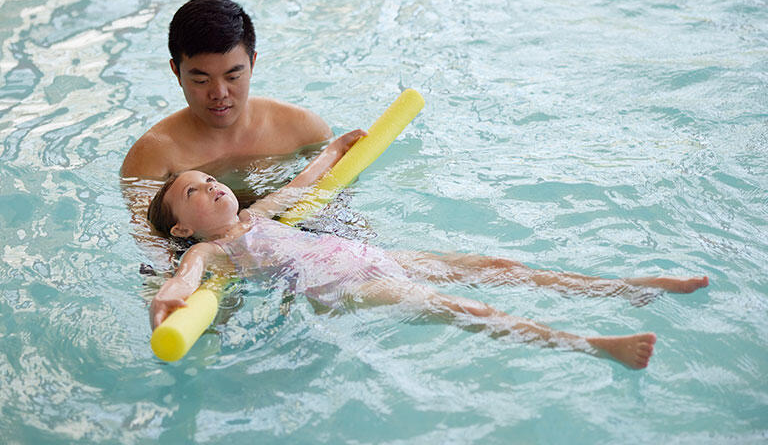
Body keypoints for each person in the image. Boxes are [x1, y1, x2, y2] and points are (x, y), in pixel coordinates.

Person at [146, 133, 709, 370]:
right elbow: (183, 281)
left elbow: (304, 188)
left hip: (363, 253)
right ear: (180, 231)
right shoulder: (214, 253)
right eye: (192, 190)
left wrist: (337, 149)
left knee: (497, 269)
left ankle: (618, 288)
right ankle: (591, 344)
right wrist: (167, 301)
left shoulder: (254, 214)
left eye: (208, 179)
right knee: (460, 307)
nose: (210, 186)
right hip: (341, 286)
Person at [121, 0, 331, 180]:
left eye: (233, 77)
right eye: (201, 81)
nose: (219, 93)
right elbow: (147, 225)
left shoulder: (303, 130)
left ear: (252, 63)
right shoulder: (152, 157)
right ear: (176, 71)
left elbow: (337, 198)